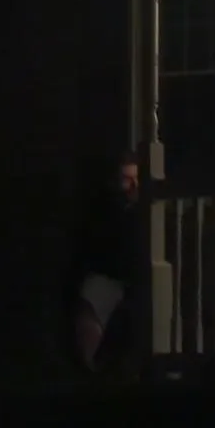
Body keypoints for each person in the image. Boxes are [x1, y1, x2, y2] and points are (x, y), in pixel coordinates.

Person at [71, 152, 142, 372]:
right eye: (127, 179)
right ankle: (89, 371)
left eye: (137, 179)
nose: (134, 186)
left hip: (142, 280)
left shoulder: (149, 212)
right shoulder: (108, 213)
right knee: (91, 296)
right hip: (115, 279)